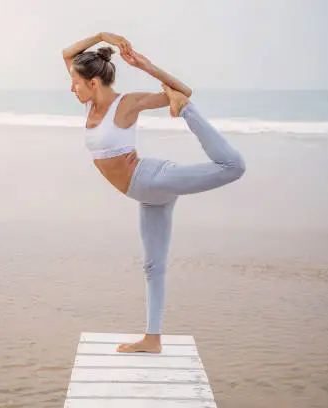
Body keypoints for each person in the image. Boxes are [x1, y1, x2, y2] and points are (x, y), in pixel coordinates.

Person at [62, 32, 246, 353]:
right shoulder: (90, 101)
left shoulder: (127, 103)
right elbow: (67, 54)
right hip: (147, 194)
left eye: (76, 82)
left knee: (233, 166)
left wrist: (146, 66)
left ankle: (185, 112)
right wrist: (104, 36)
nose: (71, 87)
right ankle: (152, 339)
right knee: (152, 266)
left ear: (93, 82)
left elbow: (183, 89)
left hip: (154, 178)